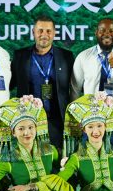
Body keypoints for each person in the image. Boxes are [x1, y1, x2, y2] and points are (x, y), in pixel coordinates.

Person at [11, 16, 76, 148]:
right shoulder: (20, 56)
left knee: (57, 157)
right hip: (28, 120)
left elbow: (75, 86)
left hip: (57, 120)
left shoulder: (66, 56)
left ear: (54, 33)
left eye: (48, 31)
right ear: (33, 32)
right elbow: (10, 83)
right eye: (40, 31)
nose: (44, 35)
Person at [72, 17, 113, 149]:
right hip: (89, 116)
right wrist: (76, 117)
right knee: (89, 156)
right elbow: (75, 89)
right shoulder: (83, 56)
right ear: (96, 32)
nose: (107, 34)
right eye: (102, 30)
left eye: (111, 31)